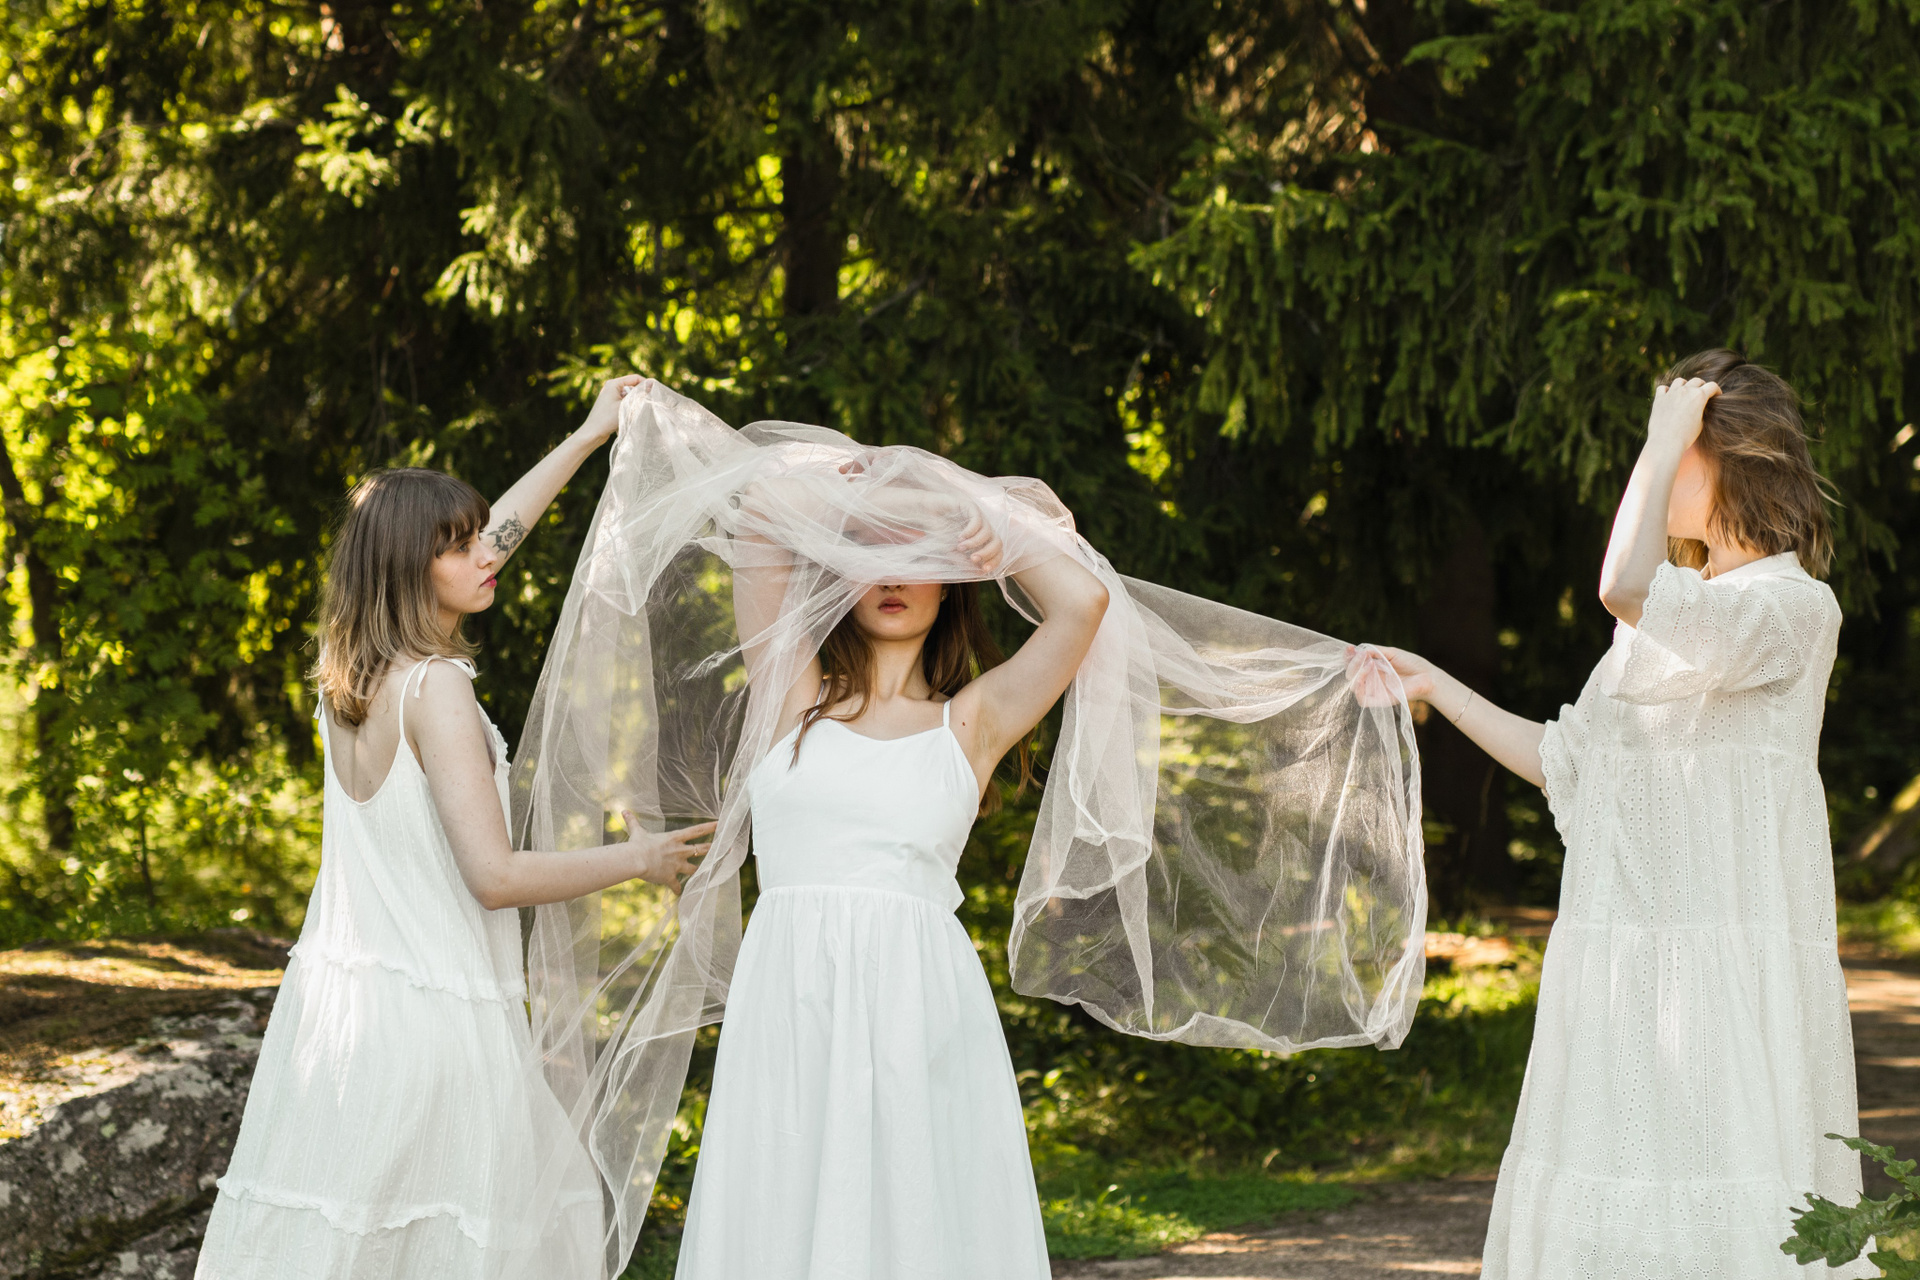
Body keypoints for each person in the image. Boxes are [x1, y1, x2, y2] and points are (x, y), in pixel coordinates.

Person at [1357, 351, 1869, 1278]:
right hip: (1622, 970)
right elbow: (1567, 763)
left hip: (1726, 981)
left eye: (1670, 451)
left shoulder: (1794, 608)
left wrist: (1665, 435)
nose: (1651, 468)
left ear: (1731, 459)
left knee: (1726, 1200)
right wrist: (1436, 684)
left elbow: (1622, 586)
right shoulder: (1666, 623)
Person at [195, 376, 715, 1280]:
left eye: (481, 537)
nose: (487, 555)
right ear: (410, 566)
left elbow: (491, 536)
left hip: (347, 1021)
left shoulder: (351, 683)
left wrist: (586, 437)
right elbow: (494, 877)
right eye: (459, 547)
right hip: (438, 1031)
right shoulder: (436, 690)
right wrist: (639, 858)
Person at [669, 472, 1110, 1277]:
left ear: (951, 581)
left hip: (920, 1004)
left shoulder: (971, 723)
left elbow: (1082, 603)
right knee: (782, 1206)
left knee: (916, 1215)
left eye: (919, 557)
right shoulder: (789, 696)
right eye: (870, 555)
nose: (895, 575)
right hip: (791, 1002)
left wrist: (977, 517)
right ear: (838, 575)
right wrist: (899, 500)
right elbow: (759, 512)